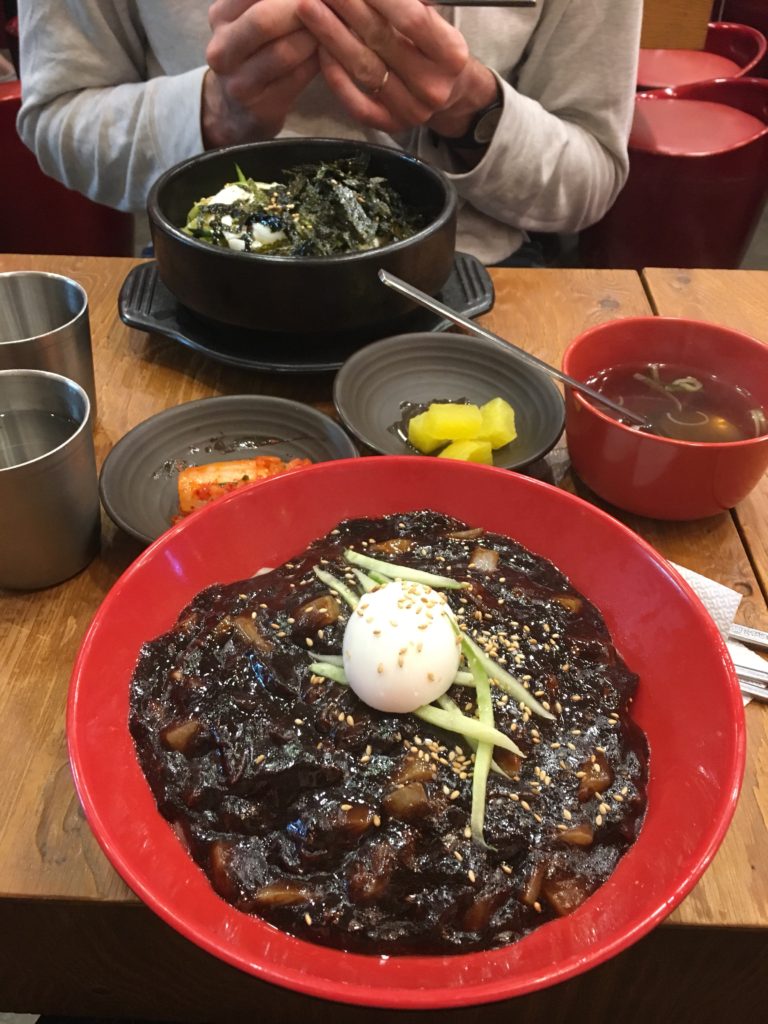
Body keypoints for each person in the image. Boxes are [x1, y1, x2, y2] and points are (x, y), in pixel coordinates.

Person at [16, 0, 642, 265]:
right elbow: (57, 116)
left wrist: (471, 111)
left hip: (481, 277)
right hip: (205, 271)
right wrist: (210, 115)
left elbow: (591, 173)